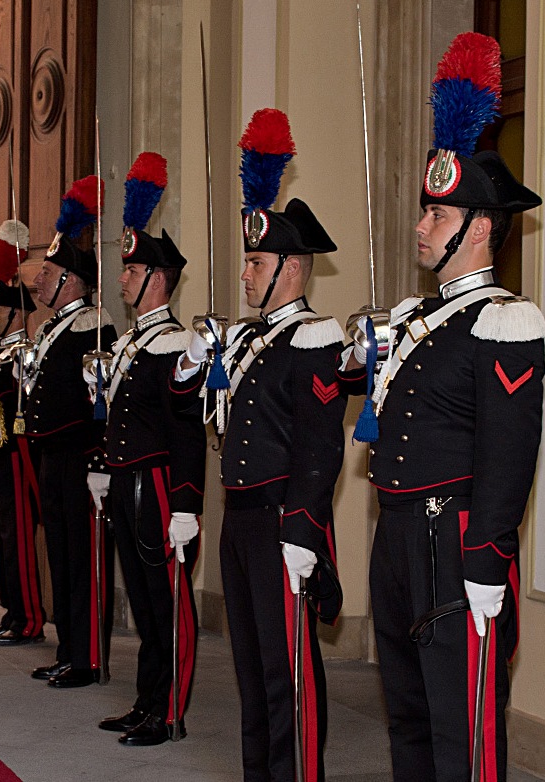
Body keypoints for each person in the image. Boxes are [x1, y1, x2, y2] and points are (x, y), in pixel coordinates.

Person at [339, 32, 545, 781]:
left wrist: (487, 559)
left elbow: (507, 454)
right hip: (394, 530)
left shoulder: (506, 321)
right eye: (424, 212)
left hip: (451, 537)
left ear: (480, 226)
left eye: (437, 215)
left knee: (462, 722)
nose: (421, 227)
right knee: (409, 713)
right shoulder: (416, 319)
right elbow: (365, 393)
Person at [174, 108, 347, 782]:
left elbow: (318, 446)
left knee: (288, 672)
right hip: (239, 516)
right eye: (245, 260)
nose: (244, 274)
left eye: (255, 262)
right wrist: (191, 364)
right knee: (252, 670)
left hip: (281, 519)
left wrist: (304, 529)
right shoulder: (245, 340)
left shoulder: (314, 339)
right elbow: (190, 410)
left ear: (291, 268)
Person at [89, 152, 205, 746]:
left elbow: (186, 427)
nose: (124, 281)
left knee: (167, 603)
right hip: (128, 481)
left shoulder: (173, 342)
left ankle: (170, 710)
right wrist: (105, 469)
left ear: (157, 279)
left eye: (132, 273)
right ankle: (145, 700)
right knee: (141, 598)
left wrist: (186, 503)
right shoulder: (135, 342)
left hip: (159, 485)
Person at [19, 175, 118, 688]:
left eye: (48, 272)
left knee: (81, 560)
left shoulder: (95, 327)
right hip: (51, 456)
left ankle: (87, 656)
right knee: (59, 552)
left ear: (72, 282)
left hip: (80, 459)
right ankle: (68, 646)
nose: (37, 280)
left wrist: (99, 457)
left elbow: (102, 402)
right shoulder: (56, 325)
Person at [0, 219, 47, 646]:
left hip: (18, 458)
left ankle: (30, 619)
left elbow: (25, 398)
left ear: (17, 314)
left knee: (18, 539)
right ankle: (12, 611)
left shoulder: (27, 351)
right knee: (4, 540)